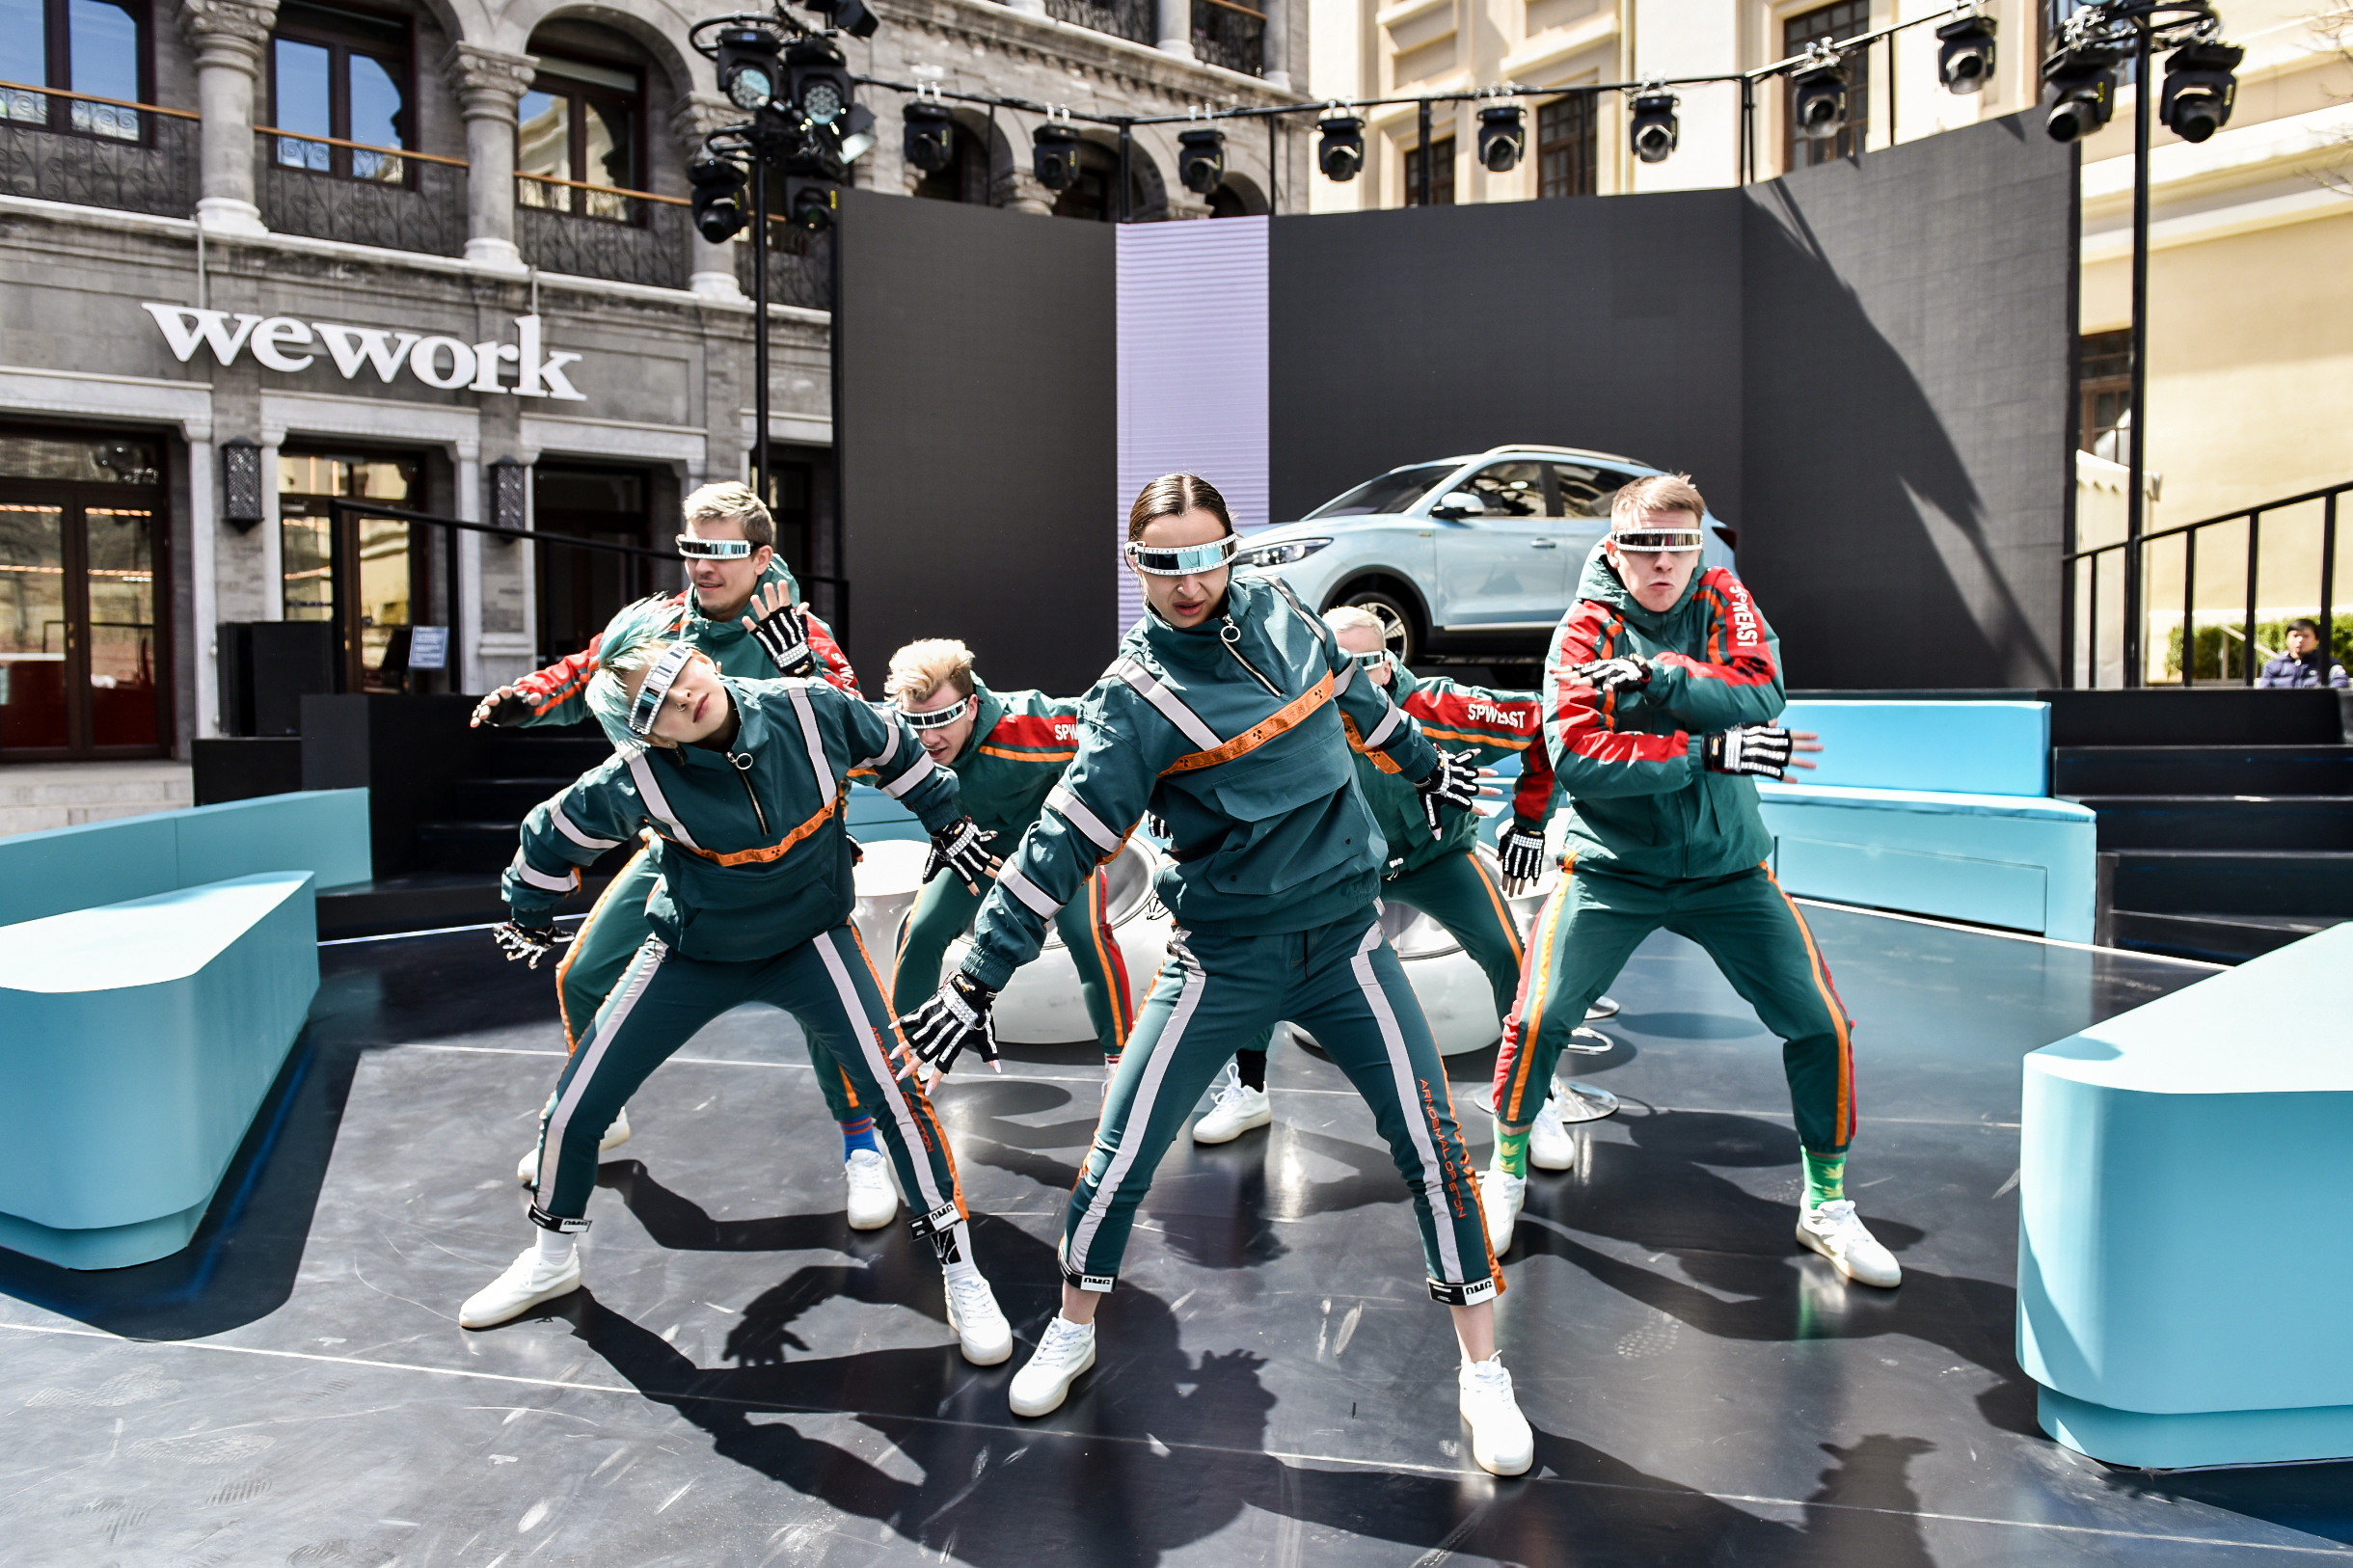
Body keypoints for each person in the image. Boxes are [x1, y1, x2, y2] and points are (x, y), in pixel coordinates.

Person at [896, 473, 1537, 1477]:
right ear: (1135, 564)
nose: (1188, 582)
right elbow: (1060, 843)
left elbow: (1360, 699)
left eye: (1204, 557)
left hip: (1345, 947)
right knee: (1119, 1157)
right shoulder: (1134, 698)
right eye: (1164, 563)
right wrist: (975, 976)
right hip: (1220, 959)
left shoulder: (1287, 615)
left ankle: (1483, 1371)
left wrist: (1422, 764)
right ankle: (1071, 1327)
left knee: (1434, 1151)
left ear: (1231, 551)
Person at [461, 591, 1014, 1365]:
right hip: (693, 952)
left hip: (812, 940)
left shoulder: (811, 709)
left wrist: (947, 822)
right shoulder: (639, 776)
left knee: (898, 1095)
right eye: (653, 703)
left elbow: (894, 748)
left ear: (699, 655)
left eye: (676, 671)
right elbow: (551, 833)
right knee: (574, 1106)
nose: (680, 696)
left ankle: (959, 1270)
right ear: (646, 733)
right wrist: (529, 909)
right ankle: (552, 1259)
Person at [1484, 473, 1902, 1290]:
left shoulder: (1722, 596)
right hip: (1611, 869)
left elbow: (1763, 692)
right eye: (1645, 545)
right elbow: (1577, 757)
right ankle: (1502, 1173)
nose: (1664, 562)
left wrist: (1660, 681)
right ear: (1615, 548)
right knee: (1536, 1019)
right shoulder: (1584, 628)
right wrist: (1703, 749)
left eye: (1680, 544)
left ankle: (1826, 1204)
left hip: (1727, 868)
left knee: (1822, 1026)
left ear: (1697, 545)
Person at [472, 482, 894, 1231]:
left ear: (760, 557)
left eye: (721, 550)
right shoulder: (662, 624)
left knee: (827, 1009)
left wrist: (801, 668)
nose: (702, 565)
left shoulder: (796, 629)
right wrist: (529, 699)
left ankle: (862, 1145)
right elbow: (592, 668)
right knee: (585, 973)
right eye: (692, 548)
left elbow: (852, 728)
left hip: (791, 856)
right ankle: (600, 1111)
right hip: (688, 844)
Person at [1190, 606, 1618, 1167]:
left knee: (1508, 953)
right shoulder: (1291, 715)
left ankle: (1535, 1095)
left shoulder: (1438, 708)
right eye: (1334, 662)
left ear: (1390, 661)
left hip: (1433, 860)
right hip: (1337, 870)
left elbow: (1544, 725)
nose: (1351, 675)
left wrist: (1531, 822)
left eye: (1366, 661)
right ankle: (1249, 1087)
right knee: (1267, 947)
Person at [881, 639, 1133, 1081]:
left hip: (1055, 846)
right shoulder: (897, 738)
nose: (928, 738)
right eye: (916, 721)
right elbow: (828, 741)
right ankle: (909, 1060)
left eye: (941, 719)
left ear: (972, 706)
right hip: (976, 847)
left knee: (1086, 933)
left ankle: (1121, 1061)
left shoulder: (1030, 725)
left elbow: (1122, 731)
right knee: (920, 931)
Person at [2258, 618, 2348, 689]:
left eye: (2306, 636)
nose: (2300, 640)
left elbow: (2340, 684)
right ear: (2287, 638)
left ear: (2316, 640)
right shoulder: (2272, 666)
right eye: (2295, 636)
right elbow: (2264, 691)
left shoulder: (2329, 664)